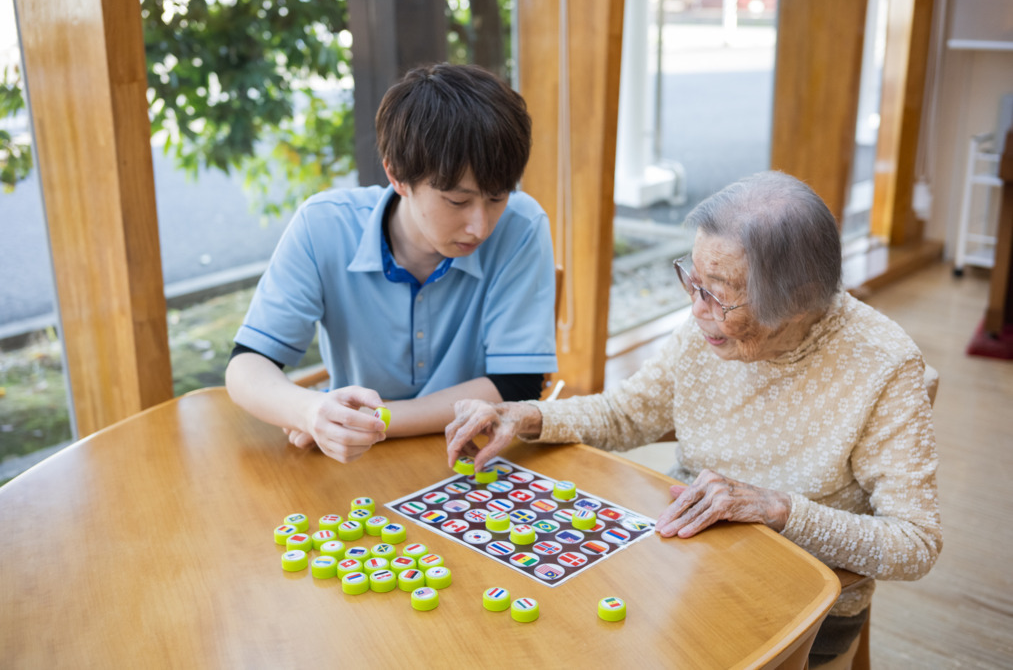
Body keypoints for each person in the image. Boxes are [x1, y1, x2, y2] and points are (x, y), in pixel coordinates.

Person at [445, 171, 941, 667]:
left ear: (797, 300)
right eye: (693, 281)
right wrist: (524, 415)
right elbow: (625, 413)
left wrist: (777, 509)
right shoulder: (710, 322)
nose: (697, 308)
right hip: (678, 555)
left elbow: (915, 543)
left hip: (800, 600)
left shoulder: (883, 364)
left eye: (718, 294)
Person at [226, 63, 557, 464]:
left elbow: (516, 385)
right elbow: (247, 364)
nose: (480, 225)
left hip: (475, 455)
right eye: (457, 200)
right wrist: (310, 412)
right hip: (355, 461)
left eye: (497, 197)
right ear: (397, 175)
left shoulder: (522, 227)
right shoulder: (323, 225)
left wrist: (369, 419)